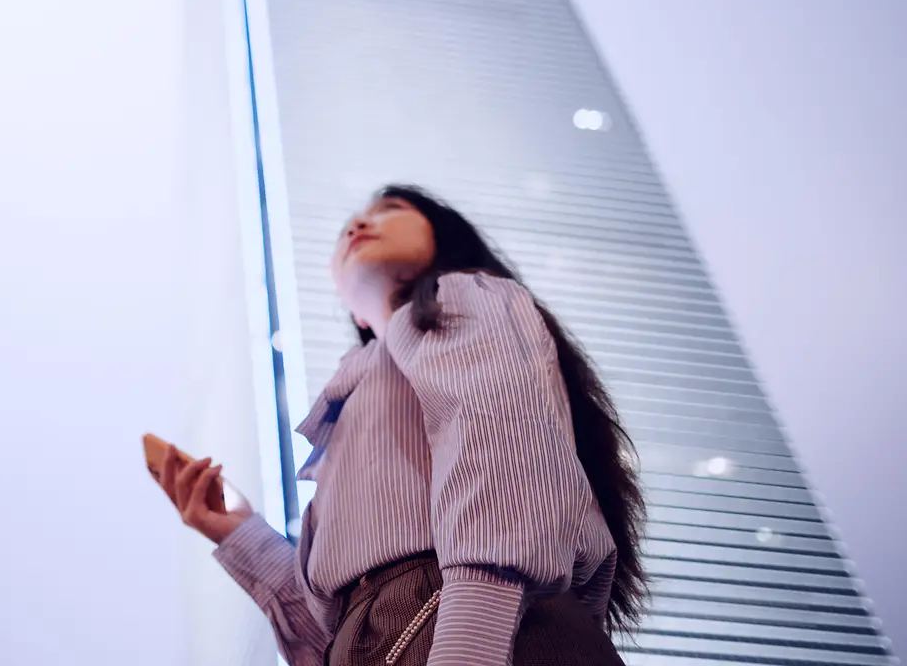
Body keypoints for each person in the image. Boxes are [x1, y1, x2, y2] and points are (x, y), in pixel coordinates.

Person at [152, 185, 645, 666]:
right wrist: (236, 531)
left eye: (390, 209)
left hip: (472, 621)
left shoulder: (460, 294)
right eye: (347, 227)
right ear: (354, 314)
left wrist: (472, 640)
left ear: (443, 239)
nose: (359, 224)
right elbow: (329, 636)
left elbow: (501, 437)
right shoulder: (355, 397)